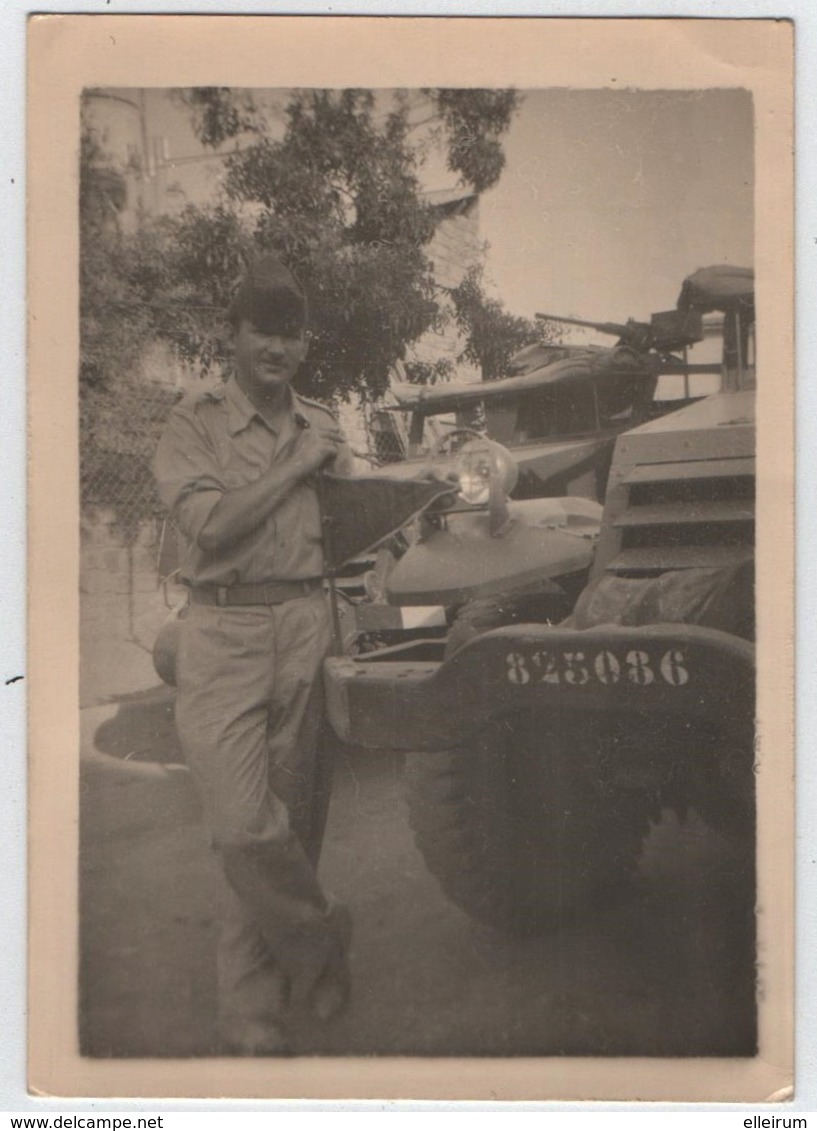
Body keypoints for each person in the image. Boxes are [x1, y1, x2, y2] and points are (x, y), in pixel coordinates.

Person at [154, 255, 355, 1055]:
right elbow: (214, 526)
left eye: (291, 333)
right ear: (231, 335)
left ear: (304, 345)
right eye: (262, 330)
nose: (277, 346)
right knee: (243, 829)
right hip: (223, 632)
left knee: (289, 819)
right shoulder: (193, 421)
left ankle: (252, 1009)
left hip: (307, 623)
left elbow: (350, 521)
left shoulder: (326, 422)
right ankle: (322, 941)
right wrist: (302, 463)